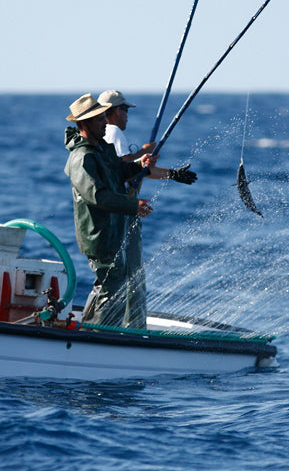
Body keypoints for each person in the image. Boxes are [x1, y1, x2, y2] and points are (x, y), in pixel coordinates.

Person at [64, 93, 196, 328]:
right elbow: (99, 196)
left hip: (112, 228)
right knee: (111, 286)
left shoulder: (100, 149)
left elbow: (119, 171)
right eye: (99, 119)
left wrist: (140, 164)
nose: (105, 122)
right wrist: (133, 206)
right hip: (99, 234)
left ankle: (97, 331)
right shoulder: (82, 158)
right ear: (83, 124)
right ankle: (99, 338)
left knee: (114, 284)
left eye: (104, 117)